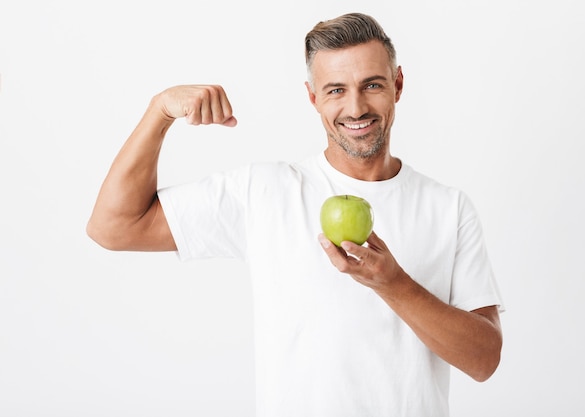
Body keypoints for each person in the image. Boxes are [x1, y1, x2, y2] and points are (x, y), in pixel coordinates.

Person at [87, 12, 503, 417]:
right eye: (336, 90)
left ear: (397, 85)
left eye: (372, 85)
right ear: (313, 97)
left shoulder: (448, 208)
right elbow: (113, 227)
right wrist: (159, 112)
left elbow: (484, 360)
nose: (355, 107)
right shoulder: (265, 191)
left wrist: (392, 284)